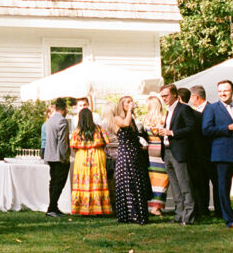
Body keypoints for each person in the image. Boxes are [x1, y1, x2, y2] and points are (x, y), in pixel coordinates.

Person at [201, 80, 233, 228]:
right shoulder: (212, 109)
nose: (223, 94)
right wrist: (228, 127)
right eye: (220, 91)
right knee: (223, 188)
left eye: (226, 91)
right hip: (223, 153)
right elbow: (206, 130)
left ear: (232, 91)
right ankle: (229, 219)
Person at [156, 84, 197, 225]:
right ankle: (179, 214)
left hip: (179, 152)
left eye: (166, 96)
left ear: (175, 94)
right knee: (175, 187)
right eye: (162, 96)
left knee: (184, 185)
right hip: (167, 151)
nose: (164, 99)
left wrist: (172, 132)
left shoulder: (184, 108)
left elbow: (191, 128)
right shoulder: (169, 110)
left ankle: (189, 217)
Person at [111, 96, 150, 224]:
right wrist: (129, 111)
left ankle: (139, 214)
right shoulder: (117, 118)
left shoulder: (132, 119)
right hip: (125, 155)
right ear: (121, 105)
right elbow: (125, 124)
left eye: (131, 101)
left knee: (137, 182)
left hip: (135, 153)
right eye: (127, 102)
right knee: (128, 184)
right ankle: (130, 214)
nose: (130, 104)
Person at [69, 107, 110, 215]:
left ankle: (82, 208)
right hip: (97, 156)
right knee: (97, 180)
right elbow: (107, 141)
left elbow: (73, 146)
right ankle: (99, 208)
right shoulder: (99, 129)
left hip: (81, 157)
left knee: (83, 180)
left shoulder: (76, 132)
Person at [188, 85, 216, 218]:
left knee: (216, 183)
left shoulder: (212, 109)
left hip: (212, 151)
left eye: (191, 97)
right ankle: (202, 209)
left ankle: (219, 210)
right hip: (199, 154)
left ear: (195, 97)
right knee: (201, 183)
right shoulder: (193, 112)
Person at [141, 95, 169, 216]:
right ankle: (156, 207)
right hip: (161, 151)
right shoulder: (163, 118)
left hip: (149, 152)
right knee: (163, 181)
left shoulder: (145, 119)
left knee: (153, 180)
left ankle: (153, 206)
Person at [43, 98, 70, 218]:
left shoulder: (49, 121)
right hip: (59, 157)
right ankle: (52, 207)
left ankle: (53, 206)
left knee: (53, 182)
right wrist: (65, 157)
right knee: (59, 183)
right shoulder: (62, 121)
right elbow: (63, 142)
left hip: (50, 156)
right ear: (64, 109)